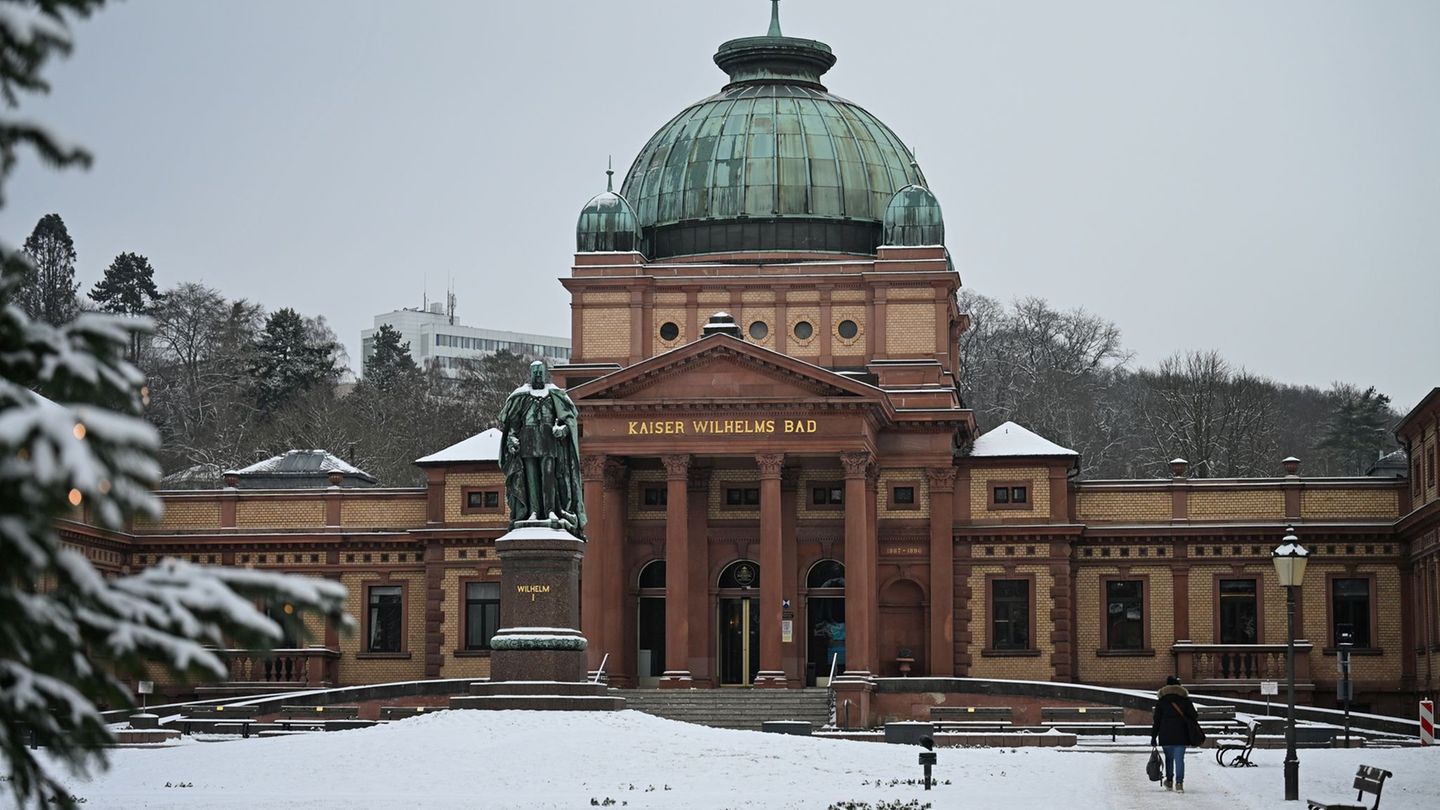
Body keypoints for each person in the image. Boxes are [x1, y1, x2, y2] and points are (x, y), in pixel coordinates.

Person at [497, 360, 586, 538]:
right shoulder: (521, 396)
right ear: (530, 374)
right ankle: (534, 512)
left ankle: (550, 510)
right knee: (531, 478)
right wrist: (512, 439)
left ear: (545, 374)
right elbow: (513, 423)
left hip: (548, 441)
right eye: (535, 373)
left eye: (540, 373)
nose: (538, 376)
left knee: (548, 477)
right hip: (528, 441)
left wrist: (563, 430)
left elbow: (569, 421)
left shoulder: (555, 394)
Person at [1151, 675, 1198, 793]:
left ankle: (1170, 781)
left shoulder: (1161, 701)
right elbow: (1194, 715)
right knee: (1179, 759)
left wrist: (1153, 736)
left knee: (1169, 759)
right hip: (1182, 734)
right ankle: (1179, 783)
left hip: (1165, 733)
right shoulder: (1185, 700)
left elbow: (1156, 720)